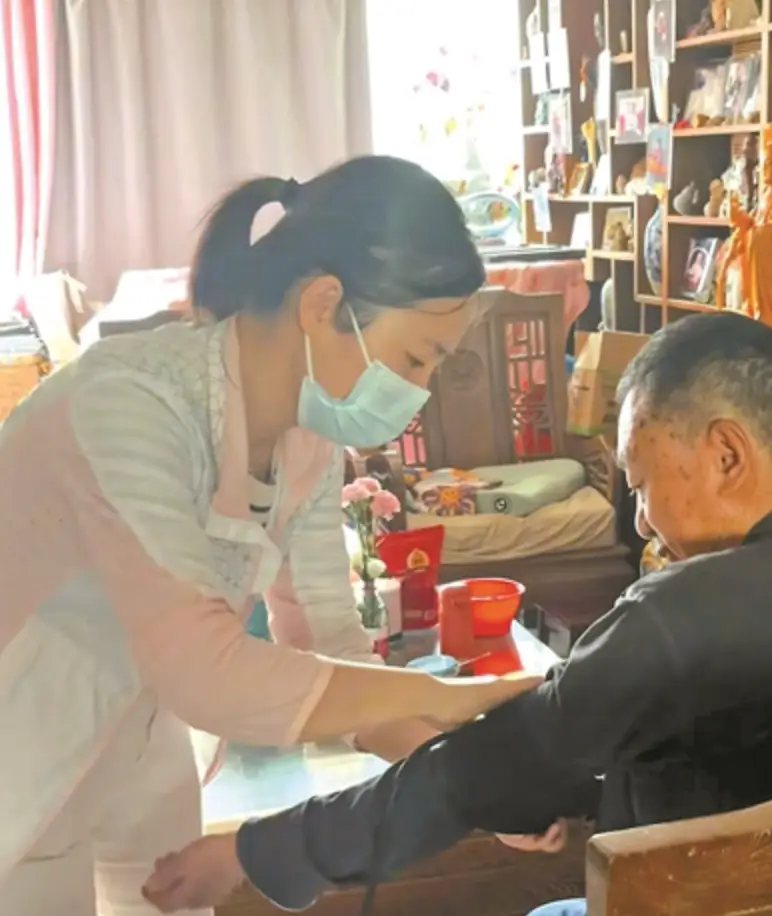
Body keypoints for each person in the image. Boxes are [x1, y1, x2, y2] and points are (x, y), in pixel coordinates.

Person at [0, 155, 544, 916]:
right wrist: (443, 696)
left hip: (139, 728)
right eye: (415, 358)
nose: (417, 393)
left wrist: (473, 785)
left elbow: (327, 647)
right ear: (324, 304)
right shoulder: (131, 402)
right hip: (22, 728)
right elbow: (202, 666)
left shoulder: (306, 438)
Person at [144, 311, 772, 914]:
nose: (641, 524)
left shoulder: (679, 618)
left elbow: (472, 772)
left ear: (726, 454)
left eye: (639, 486)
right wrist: (540, 771)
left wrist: (253, 851)